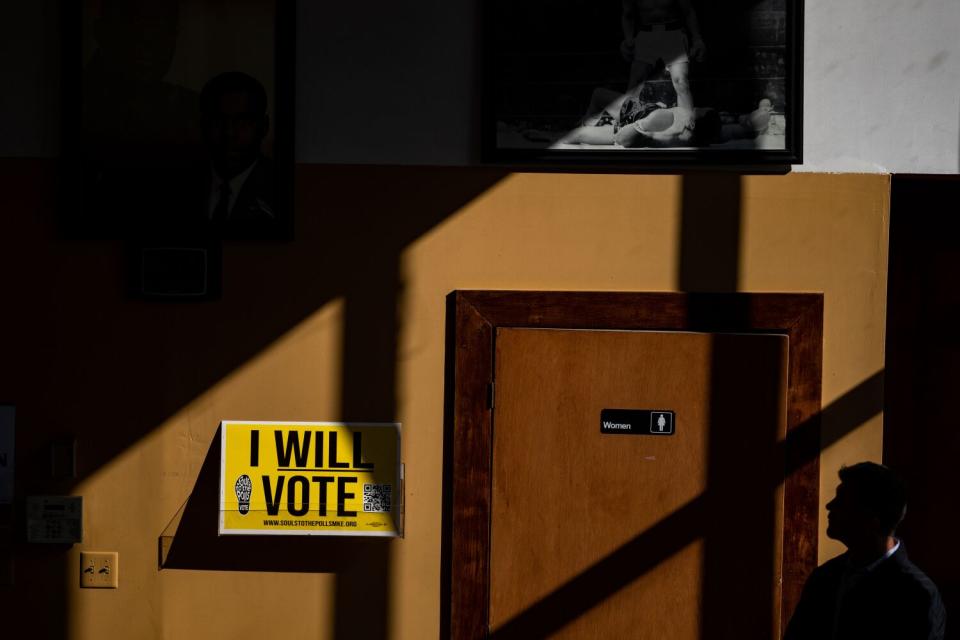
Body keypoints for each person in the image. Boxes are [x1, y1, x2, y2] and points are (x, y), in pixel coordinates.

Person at [785, 462, 946, 640]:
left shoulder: (917, 594)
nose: (829, 506)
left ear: (872, 519)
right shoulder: (824, 578)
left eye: (842, 500)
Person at [199, 71, 276, 232]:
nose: (229, 132)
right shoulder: (177, 187)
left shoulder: (279, 190)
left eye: (242, 121)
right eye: (219, 120)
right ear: (204, 125)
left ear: (264, 126)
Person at [620, 0, 705, 125]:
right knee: (635, 81)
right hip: (646, 34)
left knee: (681, 81)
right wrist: (628, 38)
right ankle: (625, 124)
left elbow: (688, 11)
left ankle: (687, 126)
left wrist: (697, 39)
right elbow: (628, 14)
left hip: (673, 32)